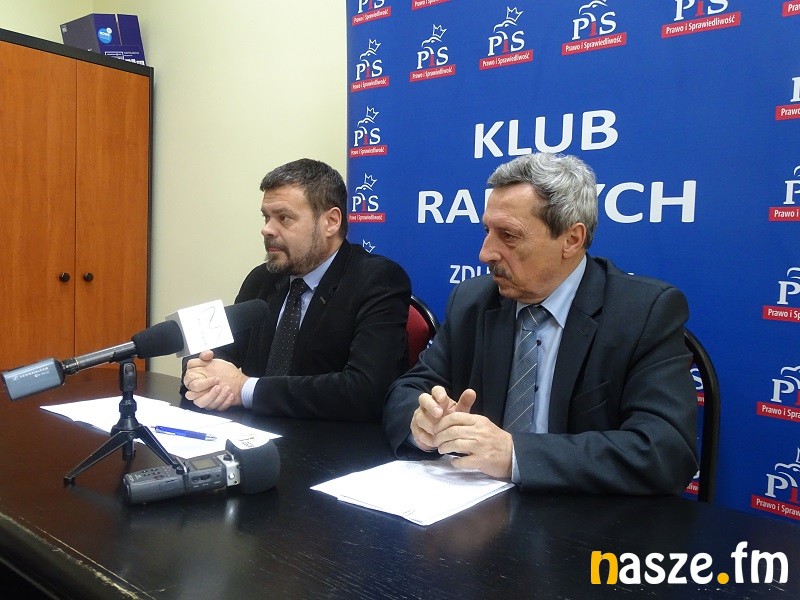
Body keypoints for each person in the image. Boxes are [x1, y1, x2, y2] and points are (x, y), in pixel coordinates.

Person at [383, 152, 698, 494]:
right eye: (487, 231)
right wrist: (424, 423)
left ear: (571, 240)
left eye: (509, 235)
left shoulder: (643, 312)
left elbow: (665, 449)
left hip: (587, 513)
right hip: (475, 504)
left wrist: (515, 455)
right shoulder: (472, 301)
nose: (485, 253)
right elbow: (407, 390)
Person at [182, 158, 411, 422]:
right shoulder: (262, 279)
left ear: (331, 222)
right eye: (266, 217)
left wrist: (244, 389)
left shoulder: (377, 280)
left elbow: (365, 389)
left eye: (284, 218)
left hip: (331, 440)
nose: (267, 229)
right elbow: (213, 350)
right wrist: (201, 376)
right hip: (253, 434)